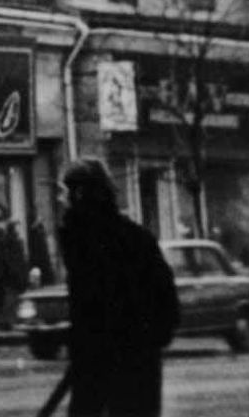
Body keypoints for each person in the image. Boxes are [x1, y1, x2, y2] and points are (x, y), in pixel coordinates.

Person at [59, 158, 180, 417]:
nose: (66, 200)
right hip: (136, 359)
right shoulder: (135, 237)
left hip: (103, 358)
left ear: (82, 194)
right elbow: (166, 300)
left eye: (70, 192)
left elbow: (89, 305)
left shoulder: (82, 240)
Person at [28, 211, 55, 286]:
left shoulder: (40, 227)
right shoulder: (33, 229)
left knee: (43, 266)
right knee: (37, 267)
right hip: (36, 252)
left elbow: (44, 235)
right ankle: (36, 282)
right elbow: (33, 238)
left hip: (42, 251)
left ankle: (46, 281)